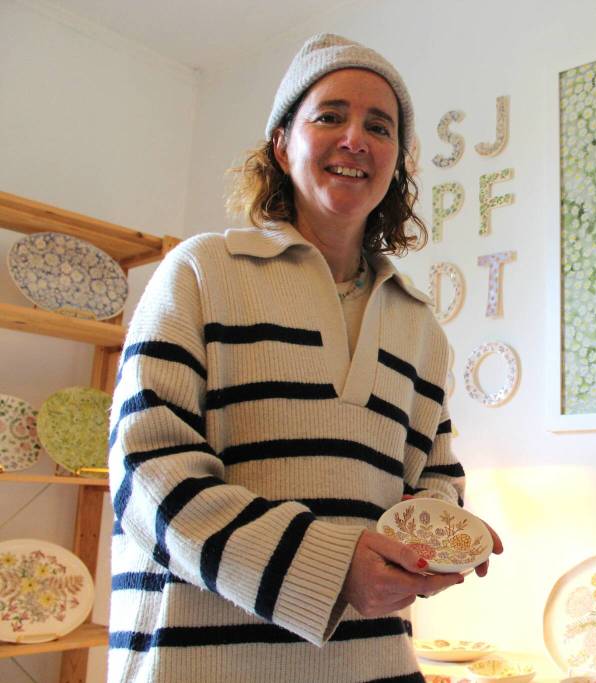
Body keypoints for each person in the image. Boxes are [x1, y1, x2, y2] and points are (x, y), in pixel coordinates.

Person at [107, 33, 501, 683]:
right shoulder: (201, 271)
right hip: (201, 666)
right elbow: (147, 474)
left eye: (379, 125)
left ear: (396, 160)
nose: (355, 138)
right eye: (329, 115)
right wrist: (329, 567)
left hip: (374, 663)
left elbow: (434, 475)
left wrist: (438, 542)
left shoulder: (420, 323)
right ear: (282, 143)